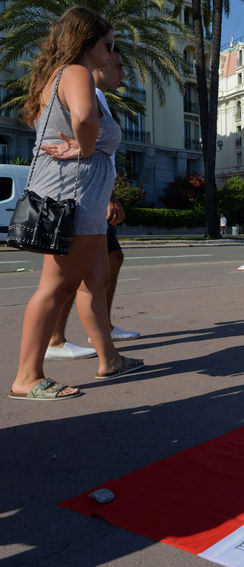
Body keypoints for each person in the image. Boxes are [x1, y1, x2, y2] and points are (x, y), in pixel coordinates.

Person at [10, 7, 144, 401]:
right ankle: (27, 375)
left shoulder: (63, 75)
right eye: (109, 44)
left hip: (82, 196)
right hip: (75, 195)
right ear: (88, 44)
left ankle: (110, 359)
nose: (112, 52)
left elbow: (83, 120)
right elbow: (84, 118)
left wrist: (85, 147)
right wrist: (84, 147)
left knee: (93, 282)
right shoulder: (76, 72)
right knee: (56, 286)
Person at [43, 47, 139, 362]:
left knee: (98, 270)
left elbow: (99, 151)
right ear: (100, 61)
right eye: (118, 62)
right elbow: (84, 142)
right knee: (68, 280)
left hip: (94, 195)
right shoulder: (81, 87)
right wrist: (108, 195)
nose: (124, 73)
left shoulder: (98, 97)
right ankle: (50, 349)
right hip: (83, 196)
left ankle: (107, 352)